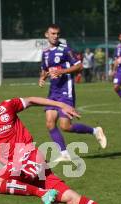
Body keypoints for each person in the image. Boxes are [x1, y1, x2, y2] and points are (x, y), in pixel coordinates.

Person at [39, 24, 107, 163]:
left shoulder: (65, 49)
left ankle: (95, 131)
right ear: (46, 34)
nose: (55, 36)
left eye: (57, 34)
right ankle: (64, 154)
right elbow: (45, 70)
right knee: (49, 122)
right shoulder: (45, 52)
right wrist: (42, 78)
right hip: (53, 91)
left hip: (66, 91)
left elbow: (79, 65)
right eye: (53, 33)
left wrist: (62, 71)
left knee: (65, 126)